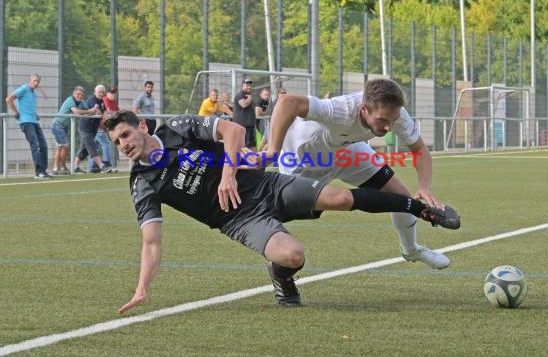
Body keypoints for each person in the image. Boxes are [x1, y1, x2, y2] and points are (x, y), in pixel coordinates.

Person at [103, 110, 460, 313]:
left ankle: (422, 209)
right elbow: (151, 242)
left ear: (143, 127)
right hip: (238, 219)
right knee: (293, 254)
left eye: (125, 135)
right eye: (117, 142)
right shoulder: (142, 183)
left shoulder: (177, 128)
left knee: (340, 199)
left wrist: (229, 173)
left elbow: (233, 129)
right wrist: (142, 288)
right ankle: (283, 278)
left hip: (265, 185)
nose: (124, 145)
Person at [261, 78, 458, 270]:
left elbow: (420, 150)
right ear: (364, 109)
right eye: (383, 120)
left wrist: (424, 186)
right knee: (272, 214)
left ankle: (411, 249)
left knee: (402, 198)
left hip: (347, 151)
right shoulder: (340, 109)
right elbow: (287, 102)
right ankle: (278, 265)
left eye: (393, 120)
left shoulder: (394, 114)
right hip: (303, 161)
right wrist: (273, 151)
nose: (390, 127)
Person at [5, 73, 51, 178]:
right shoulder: (24, 88)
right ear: (29, 80)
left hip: (34, 121)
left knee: (43, 145)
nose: (36, 83)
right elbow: (8, 99)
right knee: (35, 145)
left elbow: (28, 107)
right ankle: (38, 172)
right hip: (26, 122)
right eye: (35, 81)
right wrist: (16, 112)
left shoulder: (33, 94)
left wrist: (35, 115)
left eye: (38, 81)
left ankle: (43, 171)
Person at [50, 86, 98, 174]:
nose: (79, 96)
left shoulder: (81, 102)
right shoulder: (70, 100)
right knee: (65, 146)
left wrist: (94, 110)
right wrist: (91, 111)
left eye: (81, 95)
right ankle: (62, 167)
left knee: (61, 147)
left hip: (64, 127)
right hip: (57, 125)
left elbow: (87, 110)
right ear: (73, 93)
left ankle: (56, 168)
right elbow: (76, 111)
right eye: (78, 94)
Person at [72, 85, 112, 174]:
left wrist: (107, 121)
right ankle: (102, 166)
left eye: (103, 92)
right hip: (85, 127)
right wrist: (102, 114)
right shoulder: (92, 99)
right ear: (95, 92)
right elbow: (96, 111)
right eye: (99, 92)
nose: (101, 94)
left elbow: (105, 113)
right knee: (91, 145)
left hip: (93, 128)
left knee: (84, 148)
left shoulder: (102, 101)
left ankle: (75, 166)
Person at [232, 79, 257, 150]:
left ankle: (253, 160)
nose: (249, 87)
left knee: (252, 146)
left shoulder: (249, 96)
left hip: (250, 126)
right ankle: (241, 161)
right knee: (242, 147)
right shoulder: (240, 95)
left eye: (250, 85)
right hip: (242, 127)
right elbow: (243, 104)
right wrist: (250, 98)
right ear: (242, 86)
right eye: (247, 85)